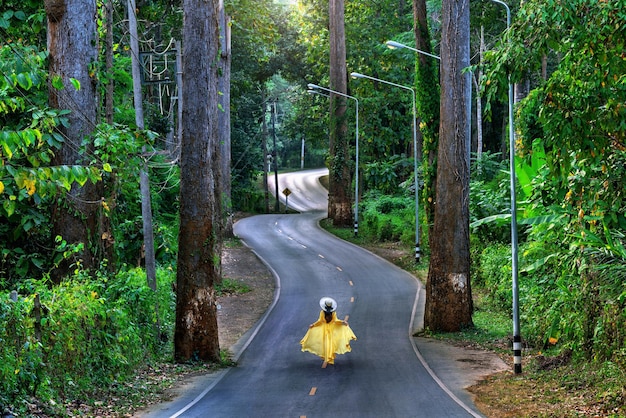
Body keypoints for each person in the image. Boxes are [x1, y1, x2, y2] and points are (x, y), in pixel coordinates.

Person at [300, 297, 357, 365]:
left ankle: (327, 357)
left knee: (325, 343)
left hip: (324, 329)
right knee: (330, 343)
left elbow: (320, 321)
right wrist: (343, 322)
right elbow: (336, 321)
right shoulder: (333, 313)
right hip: (331, 329)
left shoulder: (322, 312)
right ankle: (329, 357)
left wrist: (313, 325)